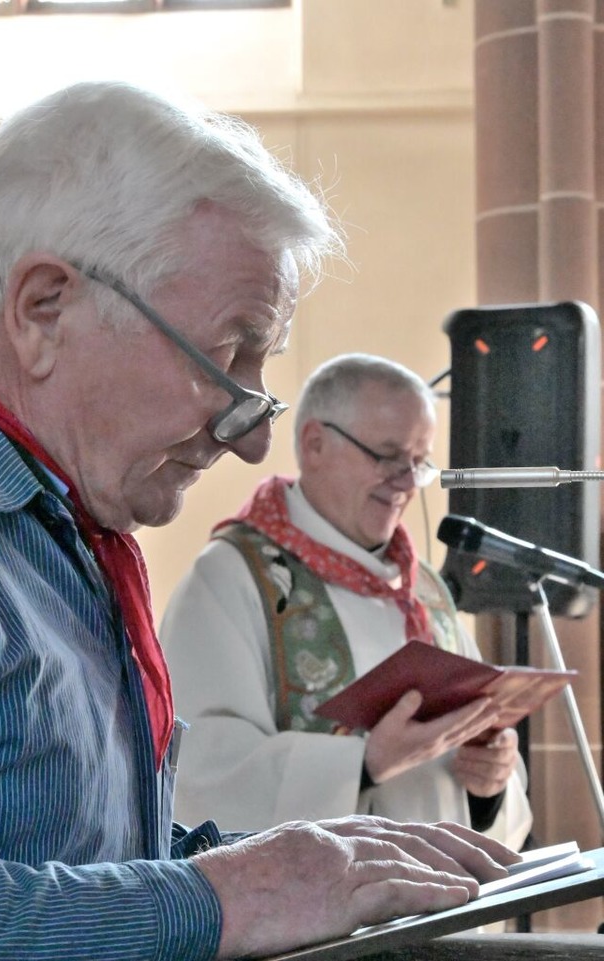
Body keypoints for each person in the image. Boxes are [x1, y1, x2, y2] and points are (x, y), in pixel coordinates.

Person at [0, 83, 521, 960]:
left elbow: (91, 864)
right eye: (227, 356)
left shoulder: (65, 545)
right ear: (44, 311)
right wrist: (222, 896)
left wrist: (301, 865)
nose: (256, 439)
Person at [161, 354, 533, 852]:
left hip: (445, 910)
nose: (405, 482)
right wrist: (364, 763)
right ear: (314, 443)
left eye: (418, 463)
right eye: (387, 456)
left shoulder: (422, 590)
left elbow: (479, 774)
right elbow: (199, 774)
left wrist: (489, 783)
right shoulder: (231, 579)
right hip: (323, 921)